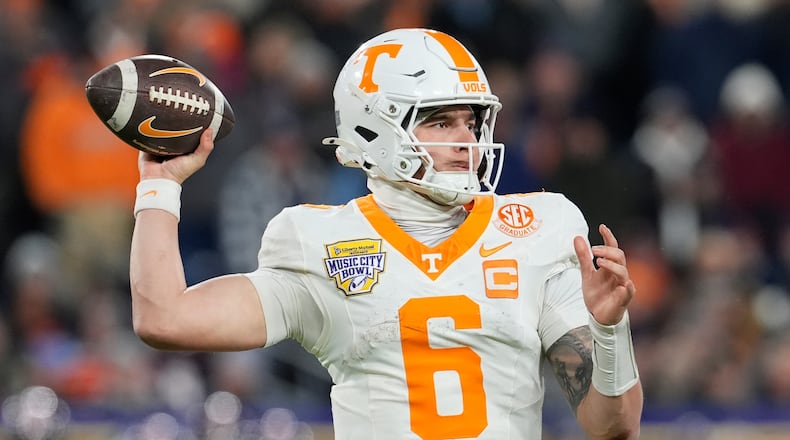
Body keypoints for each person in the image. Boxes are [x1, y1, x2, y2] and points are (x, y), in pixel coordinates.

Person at [129, 28, 643, 439]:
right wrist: (159, 186)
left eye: (473, 121)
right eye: (441, 123)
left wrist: (610, 329)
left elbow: (612, 426)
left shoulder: (538, 228)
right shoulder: (317, 241)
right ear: (374, 130)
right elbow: (165, 318)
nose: (467, 140)